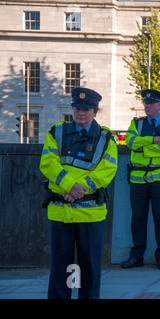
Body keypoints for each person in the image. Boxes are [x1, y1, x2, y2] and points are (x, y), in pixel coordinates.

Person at [40, 87, 118, 299]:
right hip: (61, 212)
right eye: (77, 108)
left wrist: (78, 188)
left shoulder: (106, 138)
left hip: (90, 214)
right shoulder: (56, 131)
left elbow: (107, 170)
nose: (80, 113)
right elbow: (47, 163)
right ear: (72, 109)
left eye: (86, 109)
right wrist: (70, 186)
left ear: (95, 111)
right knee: (62, 268)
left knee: (89, 267)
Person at [120, 89, 160, 270]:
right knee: (137, 218)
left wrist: (142, 147)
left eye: (151, 104)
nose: (147, 106)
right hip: (138, 178)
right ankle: (137, 256)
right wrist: (153, 140)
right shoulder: (136, 123)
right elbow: (130, 142)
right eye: (146, 103)